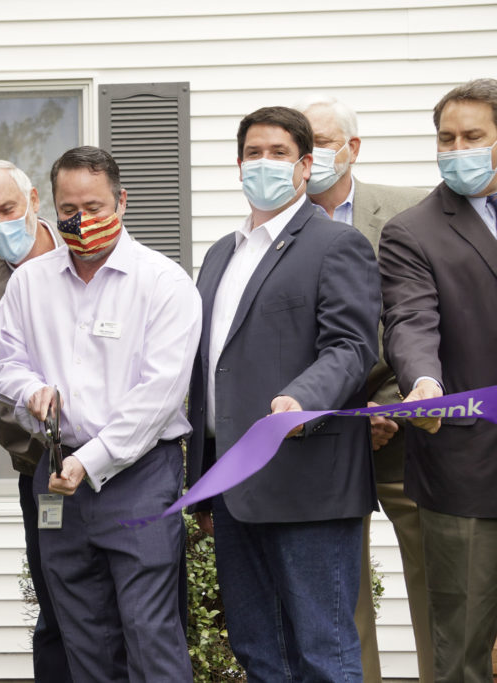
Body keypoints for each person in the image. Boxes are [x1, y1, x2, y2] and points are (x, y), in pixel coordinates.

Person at [0, 146, 200, 681]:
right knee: (80, 631)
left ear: (122, 202)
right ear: (52, 207)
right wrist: (30, 389)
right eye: (68, 209)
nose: (80, 220)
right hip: (56, 473)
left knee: (149, 632)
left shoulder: (164, 283)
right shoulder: (28, 283)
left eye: (95, 205)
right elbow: (6, 360)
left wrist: (93, 460)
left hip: (139, 475)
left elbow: (160, 393)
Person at [187, 106, 380, 681]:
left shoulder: (335, 244)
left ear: (305, 166)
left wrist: (302, 398)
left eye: (278, 153)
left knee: (325, 652)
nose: (263, 164)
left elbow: (350, 347)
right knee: (257, 650)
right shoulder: (221, 254)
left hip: (306, 477)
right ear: (238, 164)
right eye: (253, 153)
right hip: (232, 482)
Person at [297, 93, 433, 683]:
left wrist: (390, 407)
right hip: (325, 435)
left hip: (414, 432)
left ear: (353, 148)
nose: (312, 155)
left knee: (440, 590)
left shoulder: (412, 211)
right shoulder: (274, 226)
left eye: (324, 142)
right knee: (338, 604)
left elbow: (432, 318)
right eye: (304, 145)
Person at [378, 77, 497, 683]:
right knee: (463, 652)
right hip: (465, 469)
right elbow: (409, 319)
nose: (457, 148)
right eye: (446, 138)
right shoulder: (413, 231)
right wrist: (423, 381)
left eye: (472, 136)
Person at [0, 159, 69, 681]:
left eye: (7, 208)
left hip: (123, 466)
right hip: (40, 473)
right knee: (55, 610)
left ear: (33, 199)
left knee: (127, 611)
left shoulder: (89, 251)